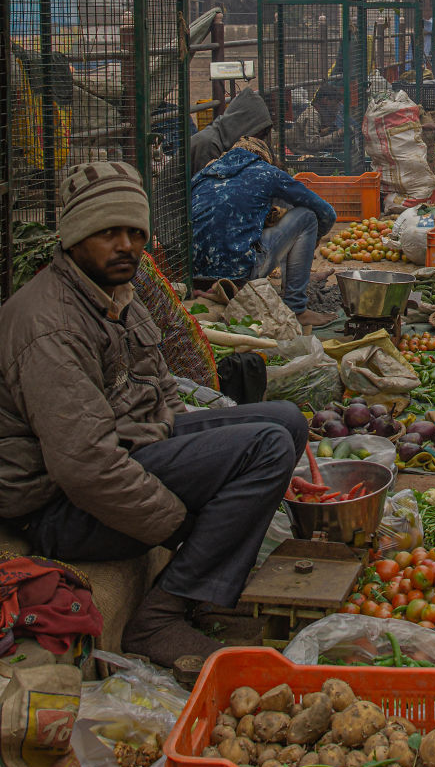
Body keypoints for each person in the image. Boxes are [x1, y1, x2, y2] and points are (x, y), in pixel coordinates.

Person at [0, 161, 310, 667]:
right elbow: (86, 469)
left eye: (134, 232)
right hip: (57, 509)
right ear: (75, 239)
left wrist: (183, 452)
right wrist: (178, 521)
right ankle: (161, 616)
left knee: (286, 421)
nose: (125, 245)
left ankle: (206, 584)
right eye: (107, 233)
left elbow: (159, 387)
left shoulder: (117, 291)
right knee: (266, 448)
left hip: (133, 446)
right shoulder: (50, 328)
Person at [191, 135, 336, 325]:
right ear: (263, 157)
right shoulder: (266, 173)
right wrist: (314, 238)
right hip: (238, 273)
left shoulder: (203, 174)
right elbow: (327, 213)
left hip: (194, 275)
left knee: (277, 219)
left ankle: (298, 279)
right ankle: (297, 308)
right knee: (307, 218)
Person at [190, 87, 271, 176]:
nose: (257, 141)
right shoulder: (209, 144)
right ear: (245, 127)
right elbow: (209, 185)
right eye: (257, 135)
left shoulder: (224, 138)